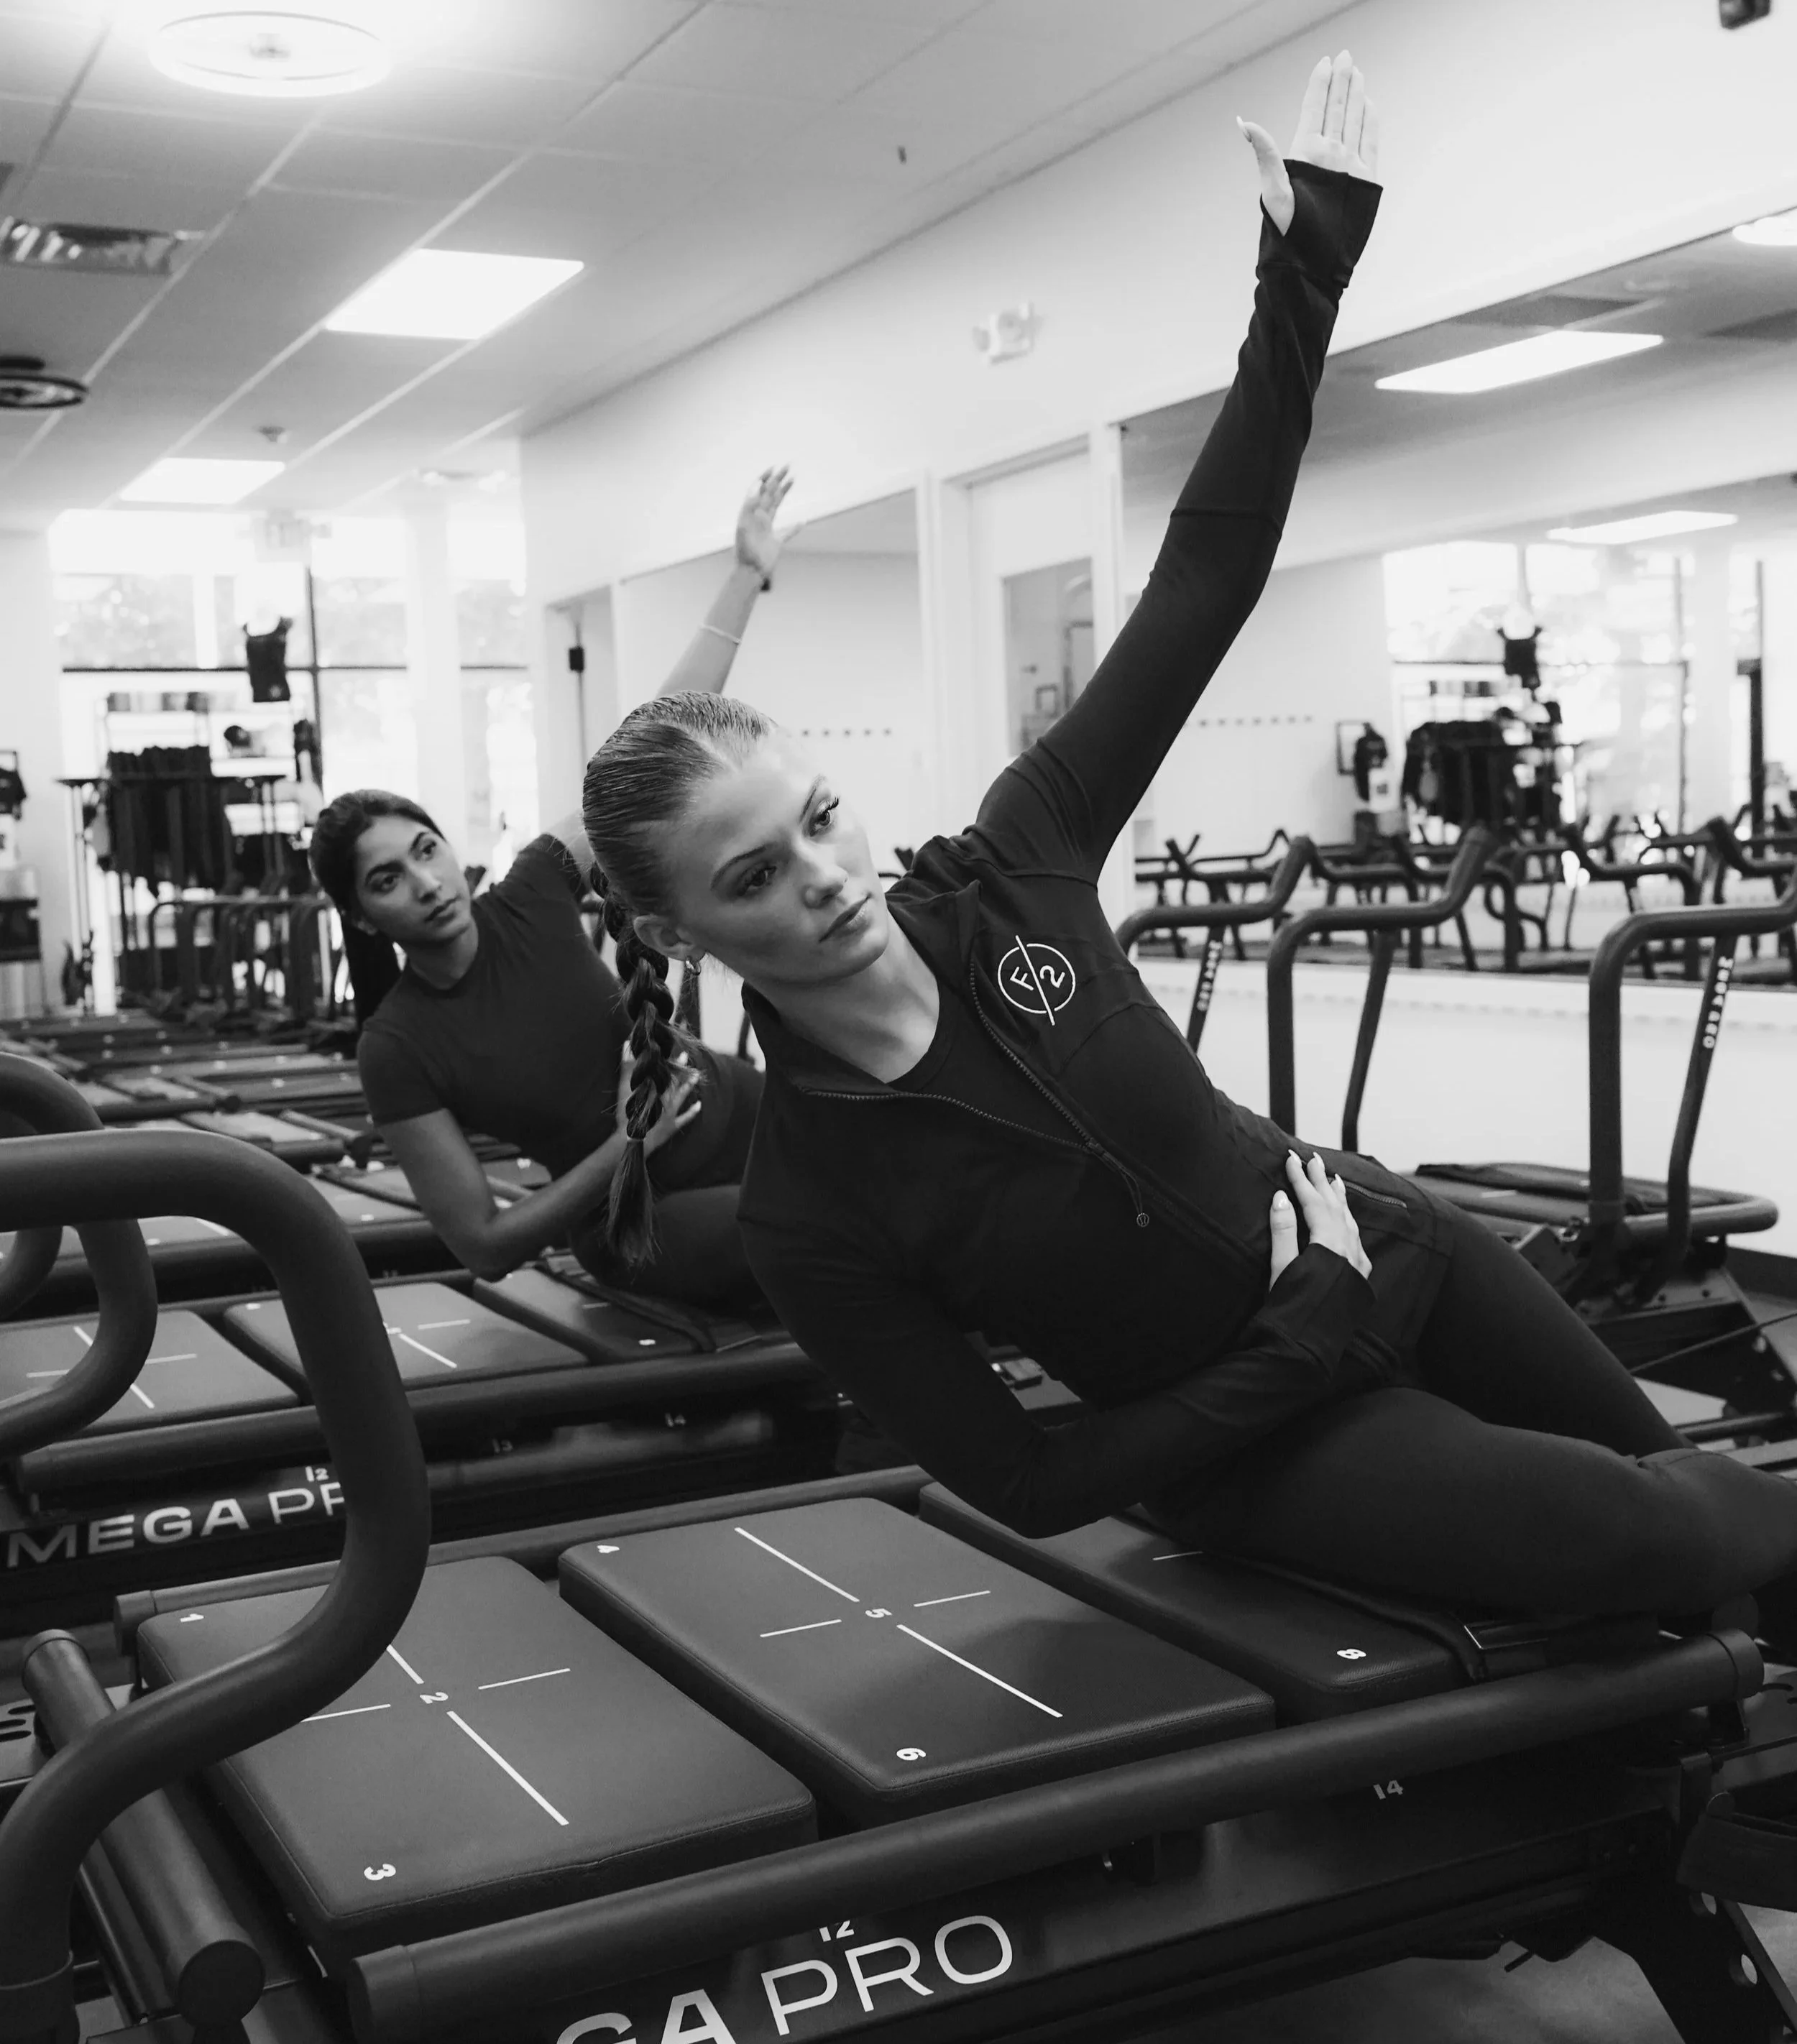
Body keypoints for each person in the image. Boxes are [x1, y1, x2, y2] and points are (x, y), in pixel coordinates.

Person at [574, 57, 1797, 1626]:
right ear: (680, 934)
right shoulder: (810, 1209)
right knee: (1655, 1537)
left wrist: (1303, 272)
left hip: (1386, 1237)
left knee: (1716, 1536)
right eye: (750, 876)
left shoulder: (1010, 860)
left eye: (814, 818)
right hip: (1259, 1422)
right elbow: (1022, 1475)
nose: (819, 875)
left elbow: (1200, 583)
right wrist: (1300, 1336)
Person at [308, 469, 792, 1310]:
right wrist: (626, 1145)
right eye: (388, 879)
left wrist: (746, 573)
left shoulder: (530, 886)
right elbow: (483, 1244)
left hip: (749, 1111)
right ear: (359, 913)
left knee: (923, 1185)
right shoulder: (397, 1046)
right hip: (643, 1213)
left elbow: (657, 741)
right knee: (832, 1230)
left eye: (427, 849)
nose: (426, 883)